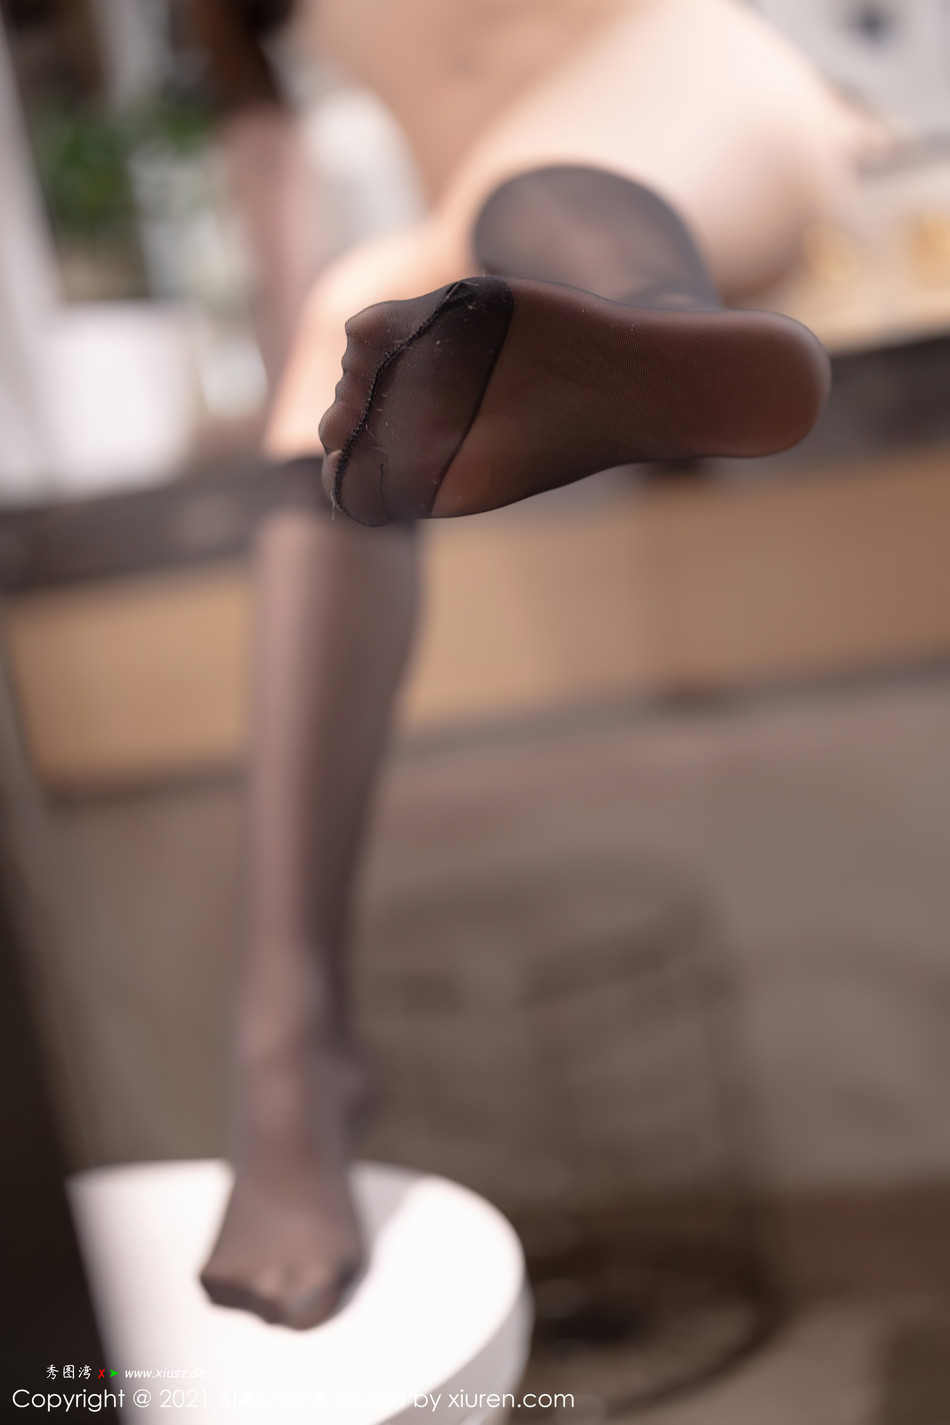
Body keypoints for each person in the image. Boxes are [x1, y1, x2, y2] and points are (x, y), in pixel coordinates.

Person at [195, 0, 883, 1329]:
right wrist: (308, 407)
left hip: (711, 127)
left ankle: (652, 340)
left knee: (548, 176)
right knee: (348, 320)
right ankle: (619, 353)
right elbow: (268, 172)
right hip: (469, 255)